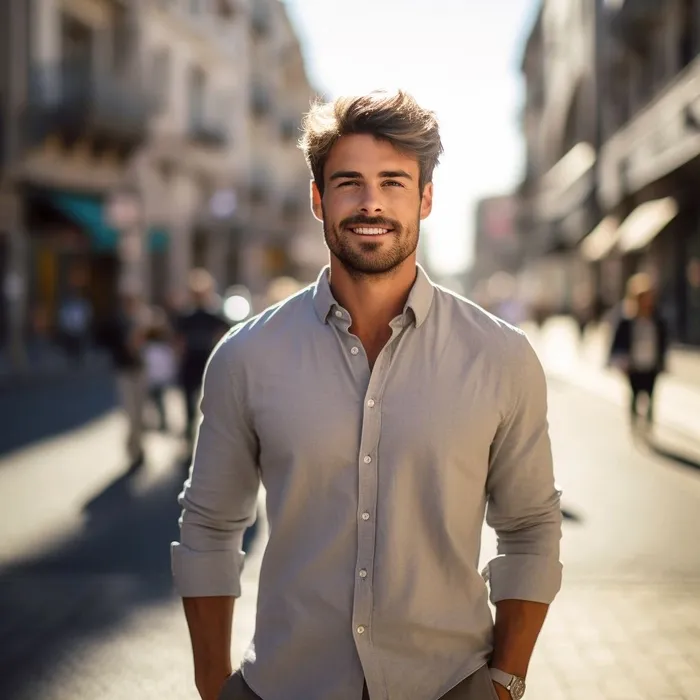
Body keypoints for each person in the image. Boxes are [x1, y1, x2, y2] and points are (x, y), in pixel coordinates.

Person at [172, 90, 562, 700]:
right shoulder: (246, 356)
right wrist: (212, 684)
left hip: (450, 686)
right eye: (349, 182)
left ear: (426, 198)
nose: (371, 202)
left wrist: (505, 682)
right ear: (317, 197)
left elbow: (531, 525)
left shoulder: (501, 356)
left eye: (394, 182)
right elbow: (208, 526)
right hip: (286, 685)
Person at [175, 269, 231, 448]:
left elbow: (224, 337)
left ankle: (207, 443)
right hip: (191, 364)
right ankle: (190, 441)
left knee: (210, 407)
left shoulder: (214, 315)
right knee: (190, 408)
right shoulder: (186, 316)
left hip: (208, 364)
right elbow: (178, 341)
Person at [609, 273, 668, 431]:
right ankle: (635, 422)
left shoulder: (657, 319)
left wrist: (663, 361)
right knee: (635, 394)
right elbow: (617, 341)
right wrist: (617, 360)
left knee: (651, 394)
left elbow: (662, 341)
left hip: (651, 363)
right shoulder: (627, 319)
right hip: (634, 364)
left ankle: (648, 422)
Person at [103, 293, 148, 472]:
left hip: (140, 371)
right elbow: (114, 345)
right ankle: (133, 450)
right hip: (125, 372)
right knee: (131, 413)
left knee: (141, 413)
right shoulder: (119, 324)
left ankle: (139, 448)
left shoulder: (142, 323)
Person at [143, 307, 177, 433]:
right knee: (153, 398)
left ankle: (162, 420)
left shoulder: (165, 335)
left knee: (160, 398)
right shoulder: (147, 335)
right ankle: (154, 420)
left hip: (160, 372)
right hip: (152, 372)